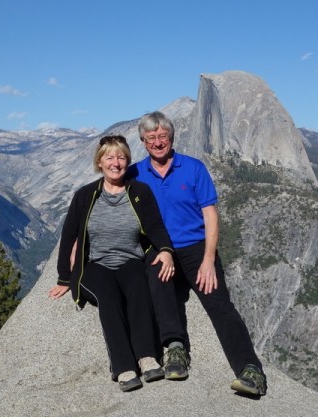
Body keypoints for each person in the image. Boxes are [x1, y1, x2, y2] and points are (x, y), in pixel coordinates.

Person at [128, 111, 268, 396]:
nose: (158, 142)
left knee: (219, 303)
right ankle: (175, 349)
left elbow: (210, 215)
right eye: (151, 138)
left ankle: (250, 370)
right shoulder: (135, 174)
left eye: (163, 136)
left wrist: (208, 259)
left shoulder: (193, 168)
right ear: (143, 141)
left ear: (172, 138)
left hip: (195, 247)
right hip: (160, 248)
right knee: (159, 286)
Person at [49, 135, 177, 392]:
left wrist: (166, 251)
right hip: (95, 265)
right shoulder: (85, 196)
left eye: (121, 157)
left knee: (139, 290)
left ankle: (147, 357)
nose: (115, 163)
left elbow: (155, 226)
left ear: (127, 161)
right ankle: (123, 366)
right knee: (109, 297)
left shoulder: (140, 192)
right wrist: (64, 278)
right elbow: (69, 235)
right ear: (99, 162)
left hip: (130, 260)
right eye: (109, 157)